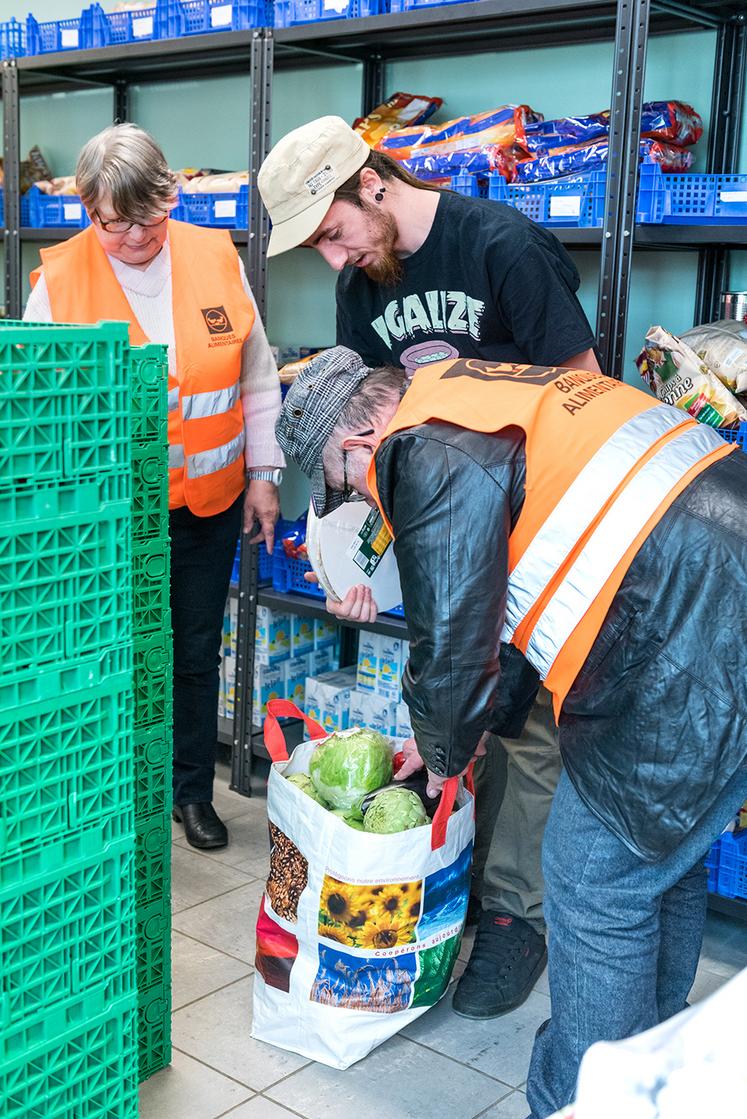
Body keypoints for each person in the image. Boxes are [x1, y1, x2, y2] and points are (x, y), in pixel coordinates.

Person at [273, 344, 747, 1119]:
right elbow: (512, 610)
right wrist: (479, 727)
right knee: (660, 860)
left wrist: (440, 754)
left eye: (345, 484)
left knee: (591, 880)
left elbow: (454, 637)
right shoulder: (464, 392)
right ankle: (651, 1078)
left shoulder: (416, 448)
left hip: (687, 627)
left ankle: (578, 1102)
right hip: (711, 586)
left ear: (358, 445)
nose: (363, 498)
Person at [258, 115, 602, 1016]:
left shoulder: (503, 248)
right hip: (444, 533)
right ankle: (458, 880)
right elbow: (360, 427)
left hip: (541, 529)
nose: (333, 258)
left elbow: (585, 394)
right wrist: (350, 550)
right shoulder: (362, 287)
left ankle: (514, 919)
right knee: (461, 705)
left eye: (331, 232)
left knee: (526, 728)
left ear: (370, 183)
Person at [24, 124, 285, 851]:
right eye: (116, 224)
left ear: (170, 197)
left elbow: (256, 376)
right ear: (87, 209)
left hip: (207, 504)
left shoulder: (211, 254)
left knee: (196, 651)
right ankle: (113, 797)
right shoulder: (57, 282)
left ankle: (190, 793)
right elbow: (40, 417)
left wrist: (264, 476)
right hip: (108, 518)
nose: (136, 236)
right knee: (114, 654)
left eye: (149, 218)